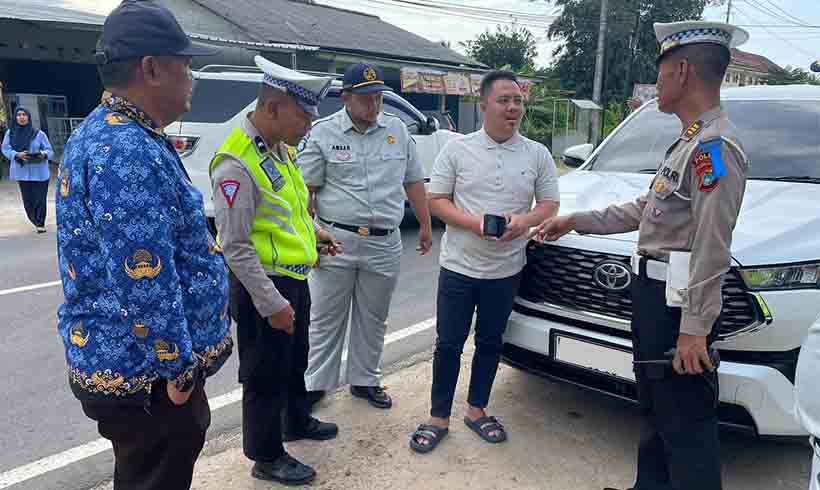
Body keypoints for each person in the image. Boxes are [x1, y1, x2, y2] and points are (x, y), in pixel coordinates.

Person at [532, 21, 750, 490]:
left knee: (686, 422)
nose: (657, 85)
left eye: (662, 72)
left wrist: (695, 329)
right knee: (654, 407)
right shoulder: (689, 140)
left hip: (677, 308)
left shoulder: (714, 147)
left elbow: (712, 247)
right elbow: (645, 209)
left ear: (684, 70)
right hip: (653, 295)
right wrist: (574, 220)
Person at [55, 2, 232, 489]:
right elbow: (145, 276)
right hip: (147, 374)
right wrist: (178, 372)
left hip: (139, 367)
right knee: (156, 475)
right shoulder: (123, 149)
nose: (192, 76)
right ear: (151, 68)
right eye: (186, 63)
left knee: (145, 474)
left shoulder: (122, 133)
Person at [409, 70, 560, 453]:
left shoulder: (536, 153)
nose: (512, 108)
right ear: (484, 105)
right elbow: (436, 199)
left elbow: (549, 204)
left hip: (507, 270)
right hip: (459, 267)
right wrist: (475, 224)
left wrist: (523, 222)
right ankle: (437, 416)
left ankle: (477, 410)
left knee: (491, 342)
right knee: (448, 344)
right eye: (503, 100)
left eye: (518, 101)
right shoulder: (458, 150)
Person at [210, 55, 340, 486]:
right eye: (302, 115)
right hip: (262, 288)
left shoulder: (280, 150)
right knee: (264, 375)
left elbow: (290, 211)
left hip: (294, 279)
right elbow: (235, 246)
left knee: (293, 361)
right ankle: (266, 457)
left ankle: (295, 421)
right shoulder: (237, 162)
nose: (308, 125)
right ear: (272, 108)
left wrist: (317, 236)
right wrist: (271, 305)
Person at [299, 63, 433, 410]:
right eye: (365, 98)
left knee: (374, 317)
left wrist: (425, 223)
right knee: (326, 318)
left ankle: (365, 379)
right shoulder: (323, 133)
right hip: (336, 241)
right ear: (345, 97)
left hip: (384, 242)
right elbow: (306, 192)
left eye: (378, 97)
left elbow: (413, 180)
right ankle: (317, 384)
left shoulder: (398, 131)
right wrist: (309, 236)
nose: (374, 105)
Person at [2, 107, 54, 233]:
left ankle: (40, 223)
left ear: (29, 117)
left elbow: (50, 150)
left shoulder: (39, 134)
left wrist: (42, 154)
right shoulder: (11, 133)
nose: (21, 117)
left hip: (40, 172)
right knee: (28, 200)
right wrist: (16, 154)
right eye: (19, 115)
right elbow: (5, 149)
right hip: (22, 172)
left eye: (24, 114)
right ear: (15, 118)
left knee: (40, 199)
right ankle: (34, 219)